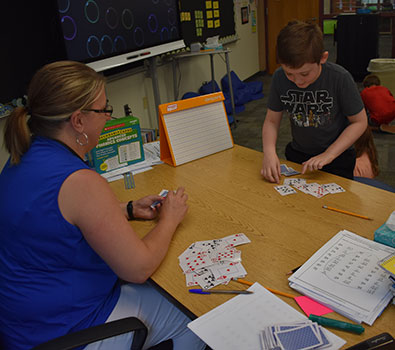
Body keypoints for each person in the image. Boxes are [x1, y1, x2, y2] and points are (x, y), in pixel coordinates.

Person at [0, 61, 206, 350]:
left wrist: (128, 209)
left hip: (23, 326)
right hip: (66, 331)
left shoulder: (20, 156)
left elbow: (54, 220)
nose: (108, 117)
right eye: (103, 110)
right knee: (195, 316)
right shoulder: (80, 181)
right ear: (78, 121)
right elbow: (137, 268)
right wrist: (169, 219)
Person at [261, 20, 367, 183]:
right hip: (299, 155)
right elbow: (271, 121)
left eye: (304, 74)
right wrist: (269, 152)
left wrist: (329, 154)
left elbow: (359, 122)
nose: (298, 81)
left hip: (338, 157)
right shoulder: (279, 77)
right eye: (290, 73)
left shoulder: (340, 78)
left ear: (322, 58)